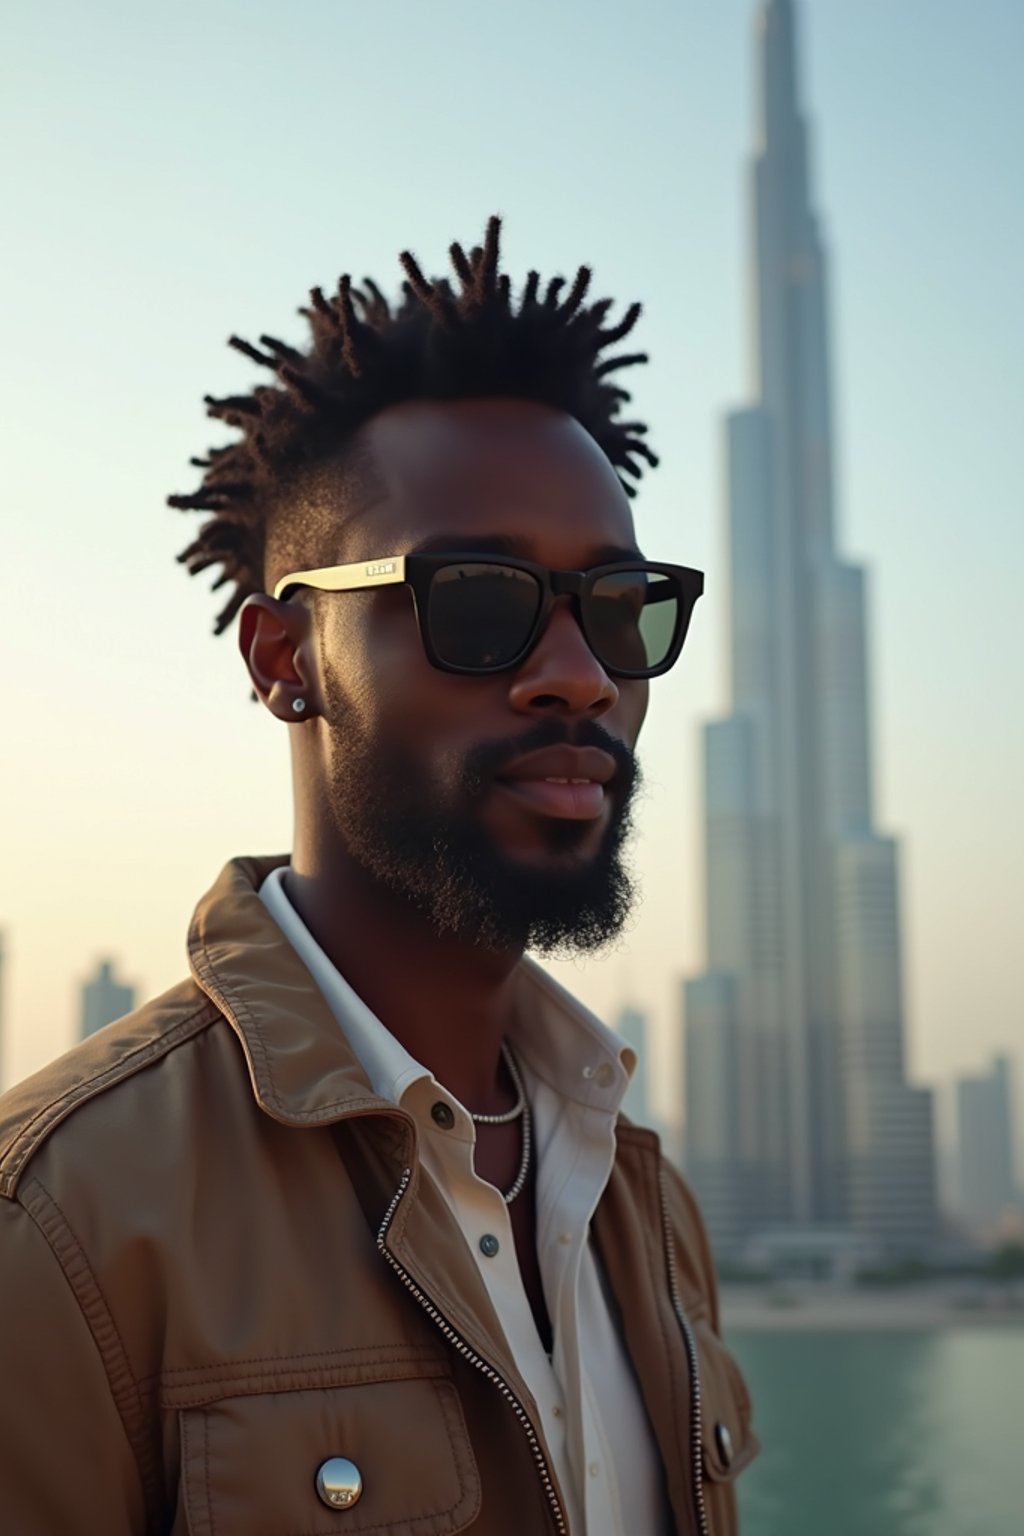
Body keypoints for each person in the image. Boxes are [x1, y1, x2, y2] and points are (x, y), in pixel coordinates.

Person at [0, 218, 758, 1534]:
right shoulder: (60, 1221)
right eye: (479, 599)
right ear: (285, 657)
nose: (579, 671)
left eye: (621, 606)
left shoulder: (643, 1195)